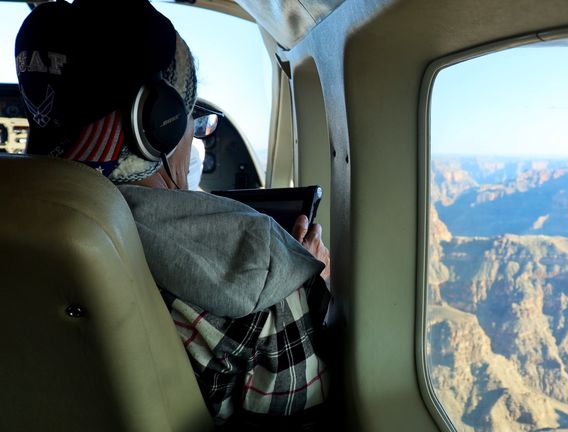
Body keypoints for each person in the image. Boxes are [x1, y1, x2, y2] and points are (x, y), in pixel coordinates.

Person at [15, 0, 331, 427]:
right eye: (189, 111)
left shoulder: (16, 226)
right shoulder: (260, 275)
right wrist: (311, 285)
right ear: (156, 122)